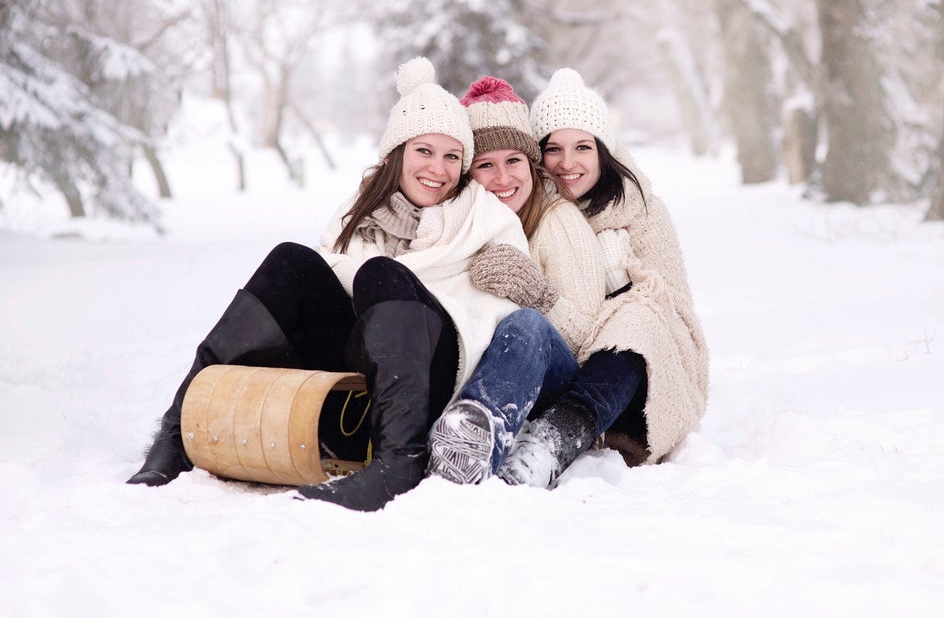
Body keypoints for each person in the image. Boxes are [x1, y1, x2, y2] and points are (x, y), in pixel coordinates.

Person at [127, 57, 528, 512]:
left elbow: (499, 323)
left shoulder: (485, 219)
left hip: (435, 378)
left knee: (380, 273)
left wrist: (388, 284)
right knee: (292, 260)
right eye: (424, 151)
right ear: (396, 154)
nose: (438, 168)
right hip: (358, 380)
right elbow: (332, 282)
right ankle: (176, 433)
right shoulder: (360, 213)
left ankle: (401, 460)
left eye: (452, 156)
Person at [497, 67, 710, 488]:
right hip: (560, 360)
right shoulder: (528, 208)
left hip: (632, 374)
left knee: (640, 318)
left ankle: (549, 446)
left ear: (602, 151)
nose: (568, 163)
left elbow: (676, 311)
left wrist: (622, 285)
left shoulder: (640, 209)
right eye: (553, 149)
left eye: (582, 147)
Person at [425, 76, 605, 484]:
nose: (503, 178)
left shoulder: (558, 223)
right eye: (486, 165)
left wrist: (536, 294)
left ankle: (474, 437)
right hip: (480, 367)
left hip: (553, 381)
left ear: (531, 164)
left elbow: (590, 341)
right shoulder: (463, 223)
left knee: (526, 324)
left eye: (513, 161)